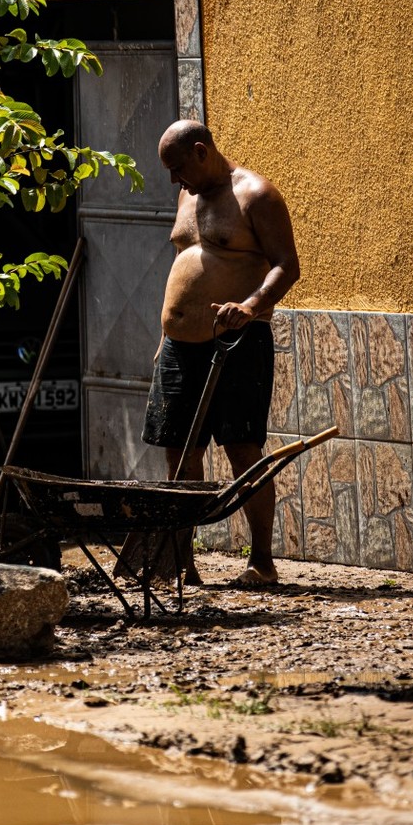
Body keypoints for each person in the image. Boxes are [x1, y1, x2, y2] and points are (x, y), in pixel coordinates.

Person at [139, 119, 300, 586]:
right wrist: (164, 334)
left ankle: (262, 562)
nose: (174, 179)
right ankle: (182, 562)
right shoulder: (187, 195)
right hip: (177, 346)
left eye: (177, 167)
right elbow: (183, 263)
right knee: (178, 452)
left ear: (201, 150)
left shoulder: (256, 195)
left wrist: (249, 307)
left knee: (242, 450)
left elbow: (288, 266)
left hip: (237, 341)